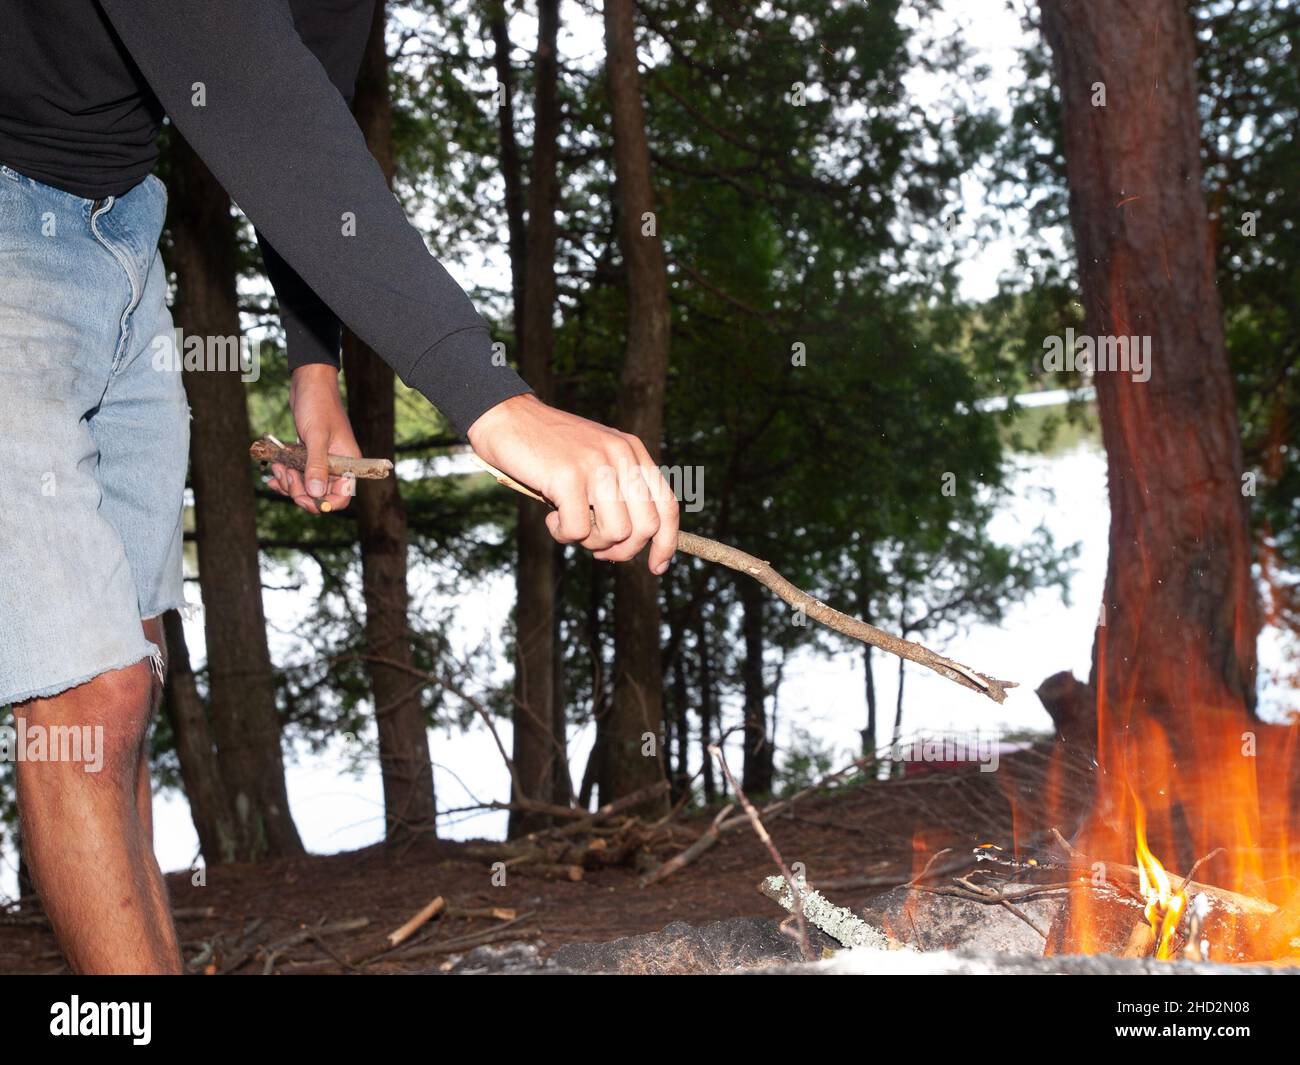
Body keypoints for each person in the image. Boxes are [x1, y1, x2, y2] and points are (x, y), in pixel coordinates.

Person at [0, 0, 679, 974]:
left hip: (124, 233)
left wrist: (314, 374)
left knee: (129, 680)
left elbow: (300, 120)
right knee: (83, 692)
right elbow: (238, 82)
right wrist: (493, 403)